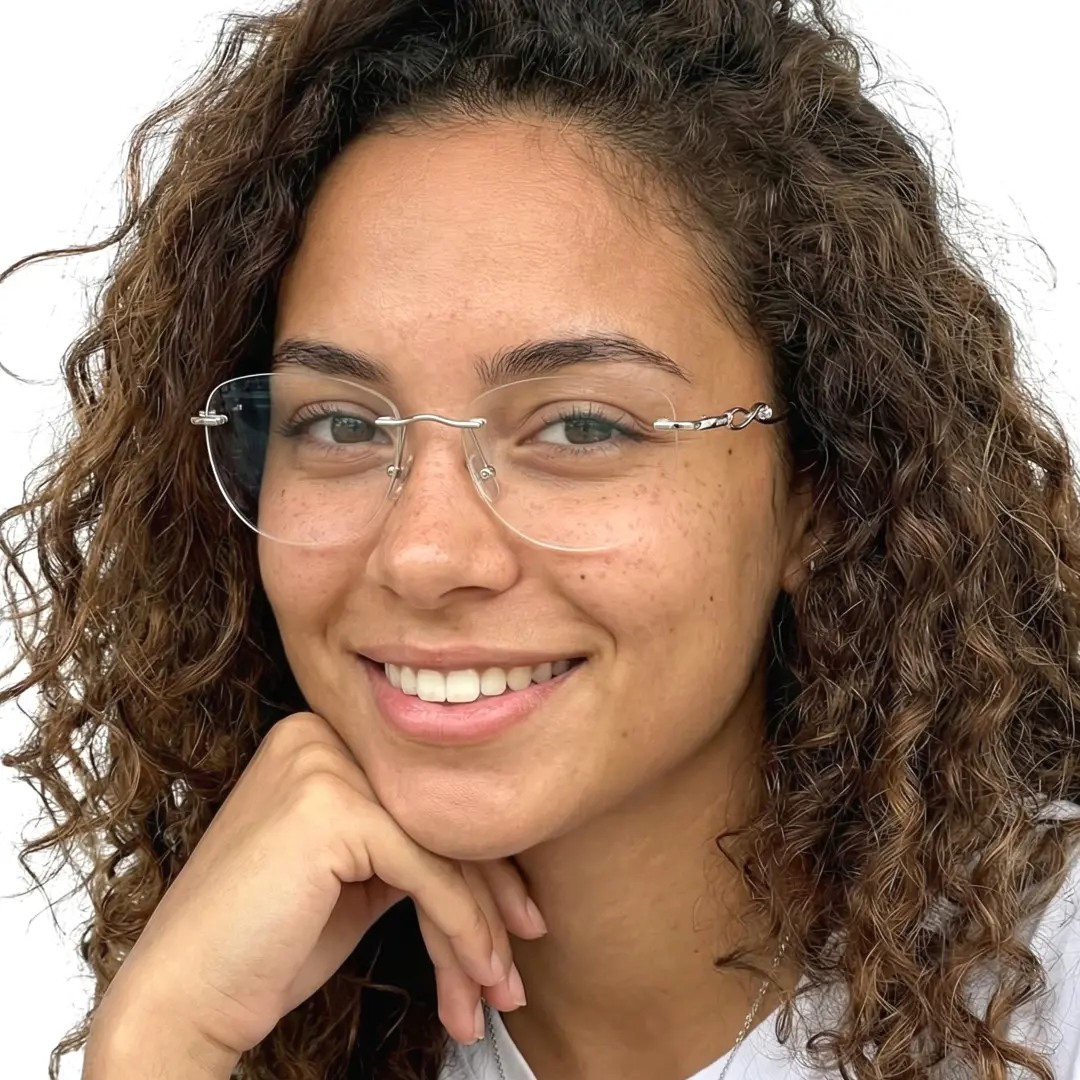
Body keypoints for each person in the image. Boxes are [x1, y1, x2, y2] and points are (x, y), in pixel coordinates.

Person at [2, 1, 1079, 1078]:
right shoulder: (268, 1016)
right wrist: (159, 1042)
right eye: (338, 423)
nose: (423, 555)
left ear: (822, 491)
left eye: (578, 426)